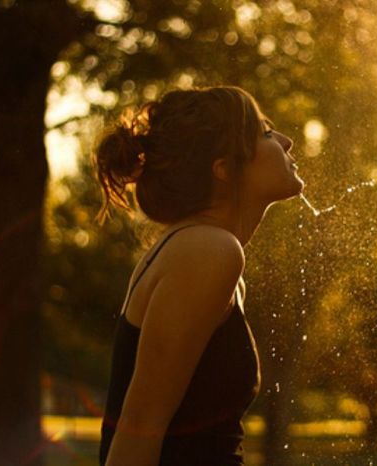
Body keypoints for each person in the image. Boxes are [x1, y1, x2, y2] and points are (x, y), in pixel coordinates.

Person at [94, 86, 304, 465]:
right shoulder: (207, 250)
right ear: (223, 168)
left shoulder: (199, 248)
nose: (287, 142)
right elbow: (140, 423)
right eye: (266, 132)